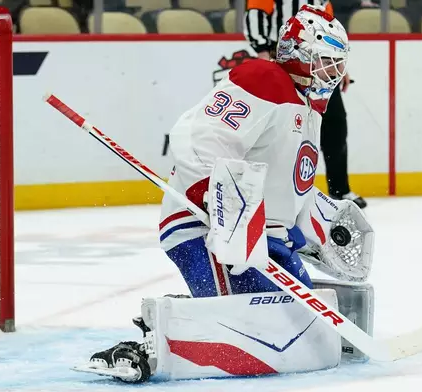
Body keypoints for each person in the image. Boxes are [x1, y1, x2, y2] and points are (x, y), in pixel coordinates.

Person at [76, 5, 374, 384]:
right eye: (327, 62)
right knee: (264, 331)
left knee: (306, 329)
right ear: (299, 55)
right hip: (207, 232)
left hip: (262, 241)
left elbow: (288, 187)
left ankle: (180, 320)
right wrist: (215, 203)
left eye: (338, 64)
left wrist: (316, 234)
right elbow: (200, 136)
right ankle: (150, 348)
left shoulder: (306, 109)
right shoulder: (265, 79)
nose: (335, 73)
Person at [245, 0, 368, 209]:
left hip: (320, 67)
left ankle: (339, 190)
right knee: (285, 127)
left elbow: (331, 28)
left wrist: (338, 67)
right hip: (287, 64)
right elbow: (255, 15)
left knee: (335, 126)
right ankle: (275, 192)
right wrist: (263, 51)